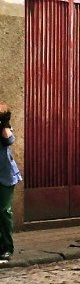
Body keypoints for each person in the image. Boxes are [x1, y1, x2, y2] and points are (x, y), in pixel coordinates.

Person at [0, 103, 21, 262]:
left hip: (5, 176)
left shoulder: (4, 130)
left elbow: (9, 139)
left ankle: (7, 247)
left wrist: (4, 123)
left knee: (3, 211)